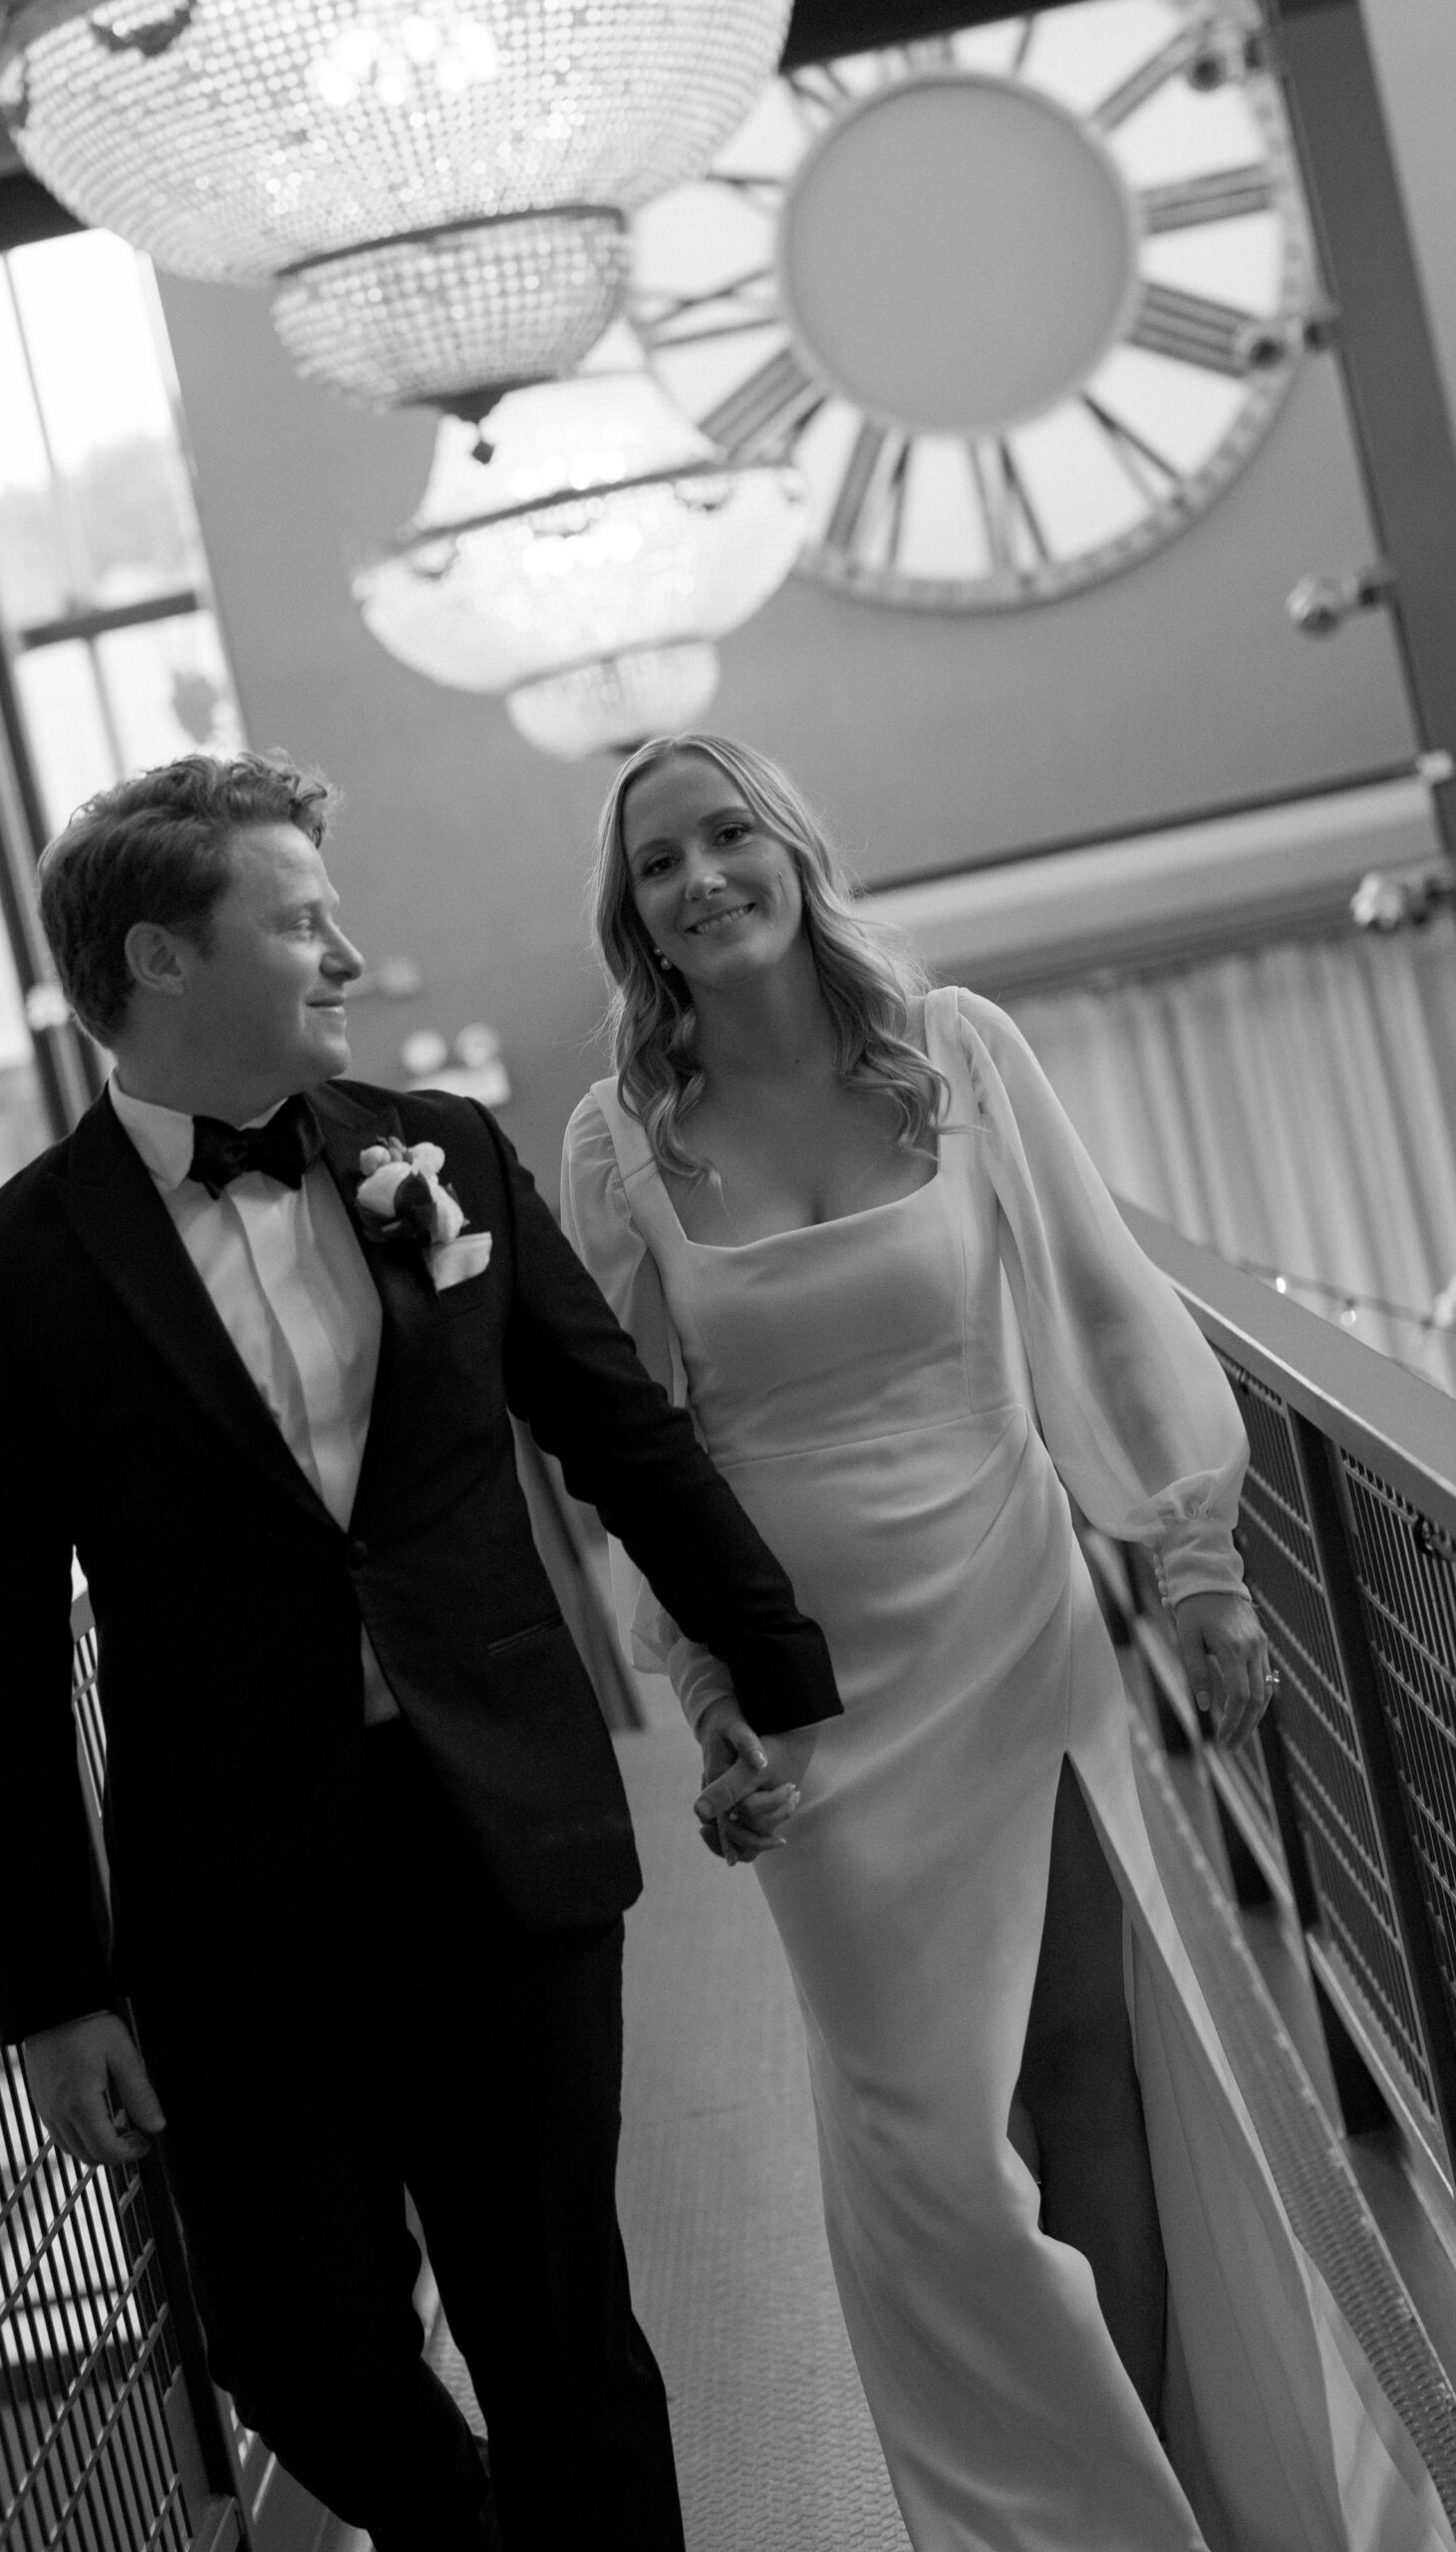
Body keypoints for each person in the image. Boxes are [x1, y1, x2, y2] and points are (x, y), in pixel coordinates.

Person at [0, 749, 844, 2552]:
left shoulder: (451, 1153)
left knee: (563, 2338)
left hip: (499, 1843)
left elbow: (621, 1434)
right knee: (299, 2352)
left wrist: (778, 1677)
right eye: (299, 921)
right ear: (161, 963)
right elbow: (3, 1659)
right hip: (230, 1903)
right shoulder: (11, 1273)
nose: (346, 956)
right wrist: (52, 1989)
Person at [561, 733, 1453, 2552]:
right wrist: (713, 1697)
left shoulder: (960, 1055)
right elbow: (634, 1459)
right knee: (933, 2154)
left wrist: (1195, 1560)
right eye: (661, 862)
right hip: (814, 1703)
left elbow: (1102, 1308)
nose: (702, 878)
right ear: (631, 913)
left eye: (730, 835)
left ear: (796, 851)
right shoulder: (619, 1143)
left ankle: (1152, 2512)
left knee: (1085, 2075)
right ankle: (1041, 2510)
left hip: (1008, 1617)